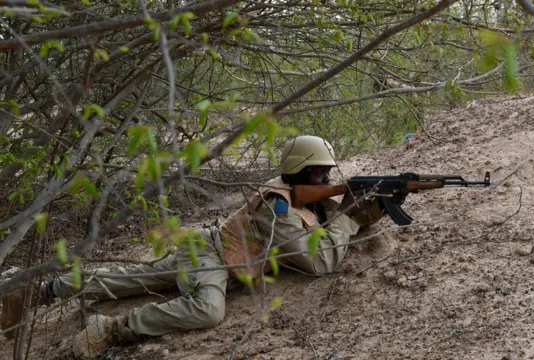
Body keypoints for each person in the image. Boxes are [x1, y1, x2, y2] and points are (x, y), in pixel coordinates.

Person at [0, 135, 385, 357]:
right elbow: (317, 262)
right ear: (301, 171)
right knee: (205, 310)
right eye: (321, 172)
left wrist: (373, 207)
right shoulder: (279, 204)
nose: (328, 178)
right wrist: (349, 217)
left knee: (129, 279)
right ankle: (114, 327)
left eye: (329, 172)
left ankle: (44, 291)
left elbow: (329, 222)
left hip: (216, 253)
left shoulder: (307, 198)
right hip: (210, 255)